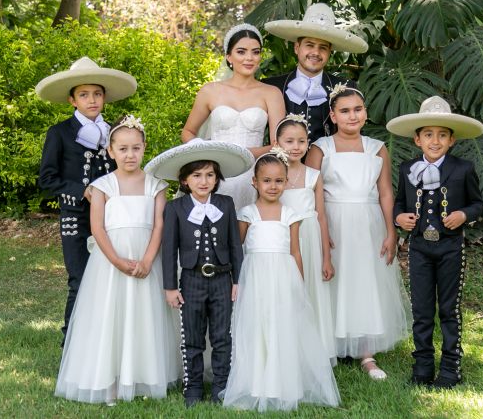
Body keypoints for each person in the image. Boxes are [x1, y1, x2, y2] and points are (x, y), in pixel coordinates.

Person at [54, 114, 181, 404]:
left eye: (136, 148)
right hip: (111, 262)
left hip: (146, 257)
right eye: (122, 149)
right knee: (111, 315)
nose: (129, 154)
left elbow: (159, 225)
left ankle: (142, 376)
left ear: (144, 148)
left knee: (145, 315)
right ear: (110, 151)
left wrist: (148, 260)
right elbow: (97, 228)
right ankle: (108, 377)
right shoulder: (102, 186)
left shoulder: (156, 185)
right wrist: (117, 261)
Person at [305, 85, 412, 380]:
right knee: (333, 280)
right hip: (332, 220)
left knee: (365, 280)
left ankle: (366, 352)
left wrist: (392, 231)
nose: (352, 115)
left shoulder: (376, 147)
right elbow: (309, 191)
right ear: (333, 115)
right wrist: (318, 225)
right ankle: (327, 344)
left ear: (365, 113)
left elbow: (386, 193)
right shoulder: (320, 148)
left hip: (368, 223)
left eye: (357, 109)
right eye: (344, 111)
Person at [222, 149, 340, 412]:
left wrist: (298, 285)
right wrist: (235, 280)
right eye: (266, 180)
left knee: (280, 326)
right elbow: (236, 249)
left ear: (286, 182)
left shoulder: (290, 215)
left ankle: (283, 383)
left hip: (282, 277)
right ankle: (254, 383)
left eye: (278, 181)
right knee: (257, 326)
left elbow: (295, 252)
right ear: (255, 182)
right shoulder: (247, 213)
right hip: (255, 277)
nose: (272, 186)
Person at [37, 56, 137, 346]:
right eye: (84, 94)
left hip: (113, 216)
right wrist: (82, 191)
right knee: (79, 277)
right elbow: (47, 179)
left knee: (112, 275)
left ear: (104, 97)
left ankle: (108, 338)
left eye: (97, 94)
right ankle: (73, 341)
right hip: (77, 216)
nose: (91, 100)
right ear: (72, 100)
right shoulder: (59, 133)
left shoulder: (116, 133)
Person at [145, 139, 254, 407]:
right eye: (197, 175)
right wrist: (171, 286)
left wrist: (237, 279)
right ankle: (192, 387)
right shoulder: (175, 208)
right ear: (184, 180)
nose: (204, 181)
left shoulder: (226, 204)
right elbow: (169, 250)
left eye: (210, 175)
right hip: (191, 280)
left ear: (217, 178)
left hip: (221, 279)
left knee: (221, 336)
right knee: (192, 337)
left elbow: (234, 245)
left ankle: (221, 385)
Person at [387, 95, 483, 389]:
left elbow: (478, 204)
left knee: (449, 308)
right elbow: (400, 202)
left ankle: (451, 366)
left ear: (452, 139)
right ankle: (422, 365)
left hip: (450, 248)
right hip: (419, 248)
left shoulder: (463, 168)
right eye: (428, 134)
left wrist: (463, 215)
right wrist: (398, 218)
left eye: (442, 134)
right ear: (417, 139)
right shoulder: (407, 168)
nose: (435, 140)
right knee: (422, 308)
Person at [181, 23, 286, 211]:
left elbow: (278, 144)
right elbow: (188, 132)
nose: (249, 58)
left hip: (253, 176)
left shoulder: (271, 93)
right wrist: (210, 153)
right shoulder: (210, 91)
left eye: (255, 52)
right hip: (216, 174)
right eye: (241, 52)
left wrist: (243, 155)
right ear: (228, 56)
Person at [276, 113, 337, 365]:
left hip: (310, 238)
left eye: (301, 141)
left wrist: (326, 257)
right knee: (285, 290)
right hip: (282, 238)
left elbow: (321, 216)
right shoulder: (271, 175)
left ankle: (315, 351)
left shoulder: (313, 175)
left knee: (310, 289)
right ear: (278, 142)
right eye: (289, 141)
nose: (295, 147)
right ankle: (286, 347)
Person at [262, 3, 368, 144]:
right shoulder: (271, 86)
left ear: (330, 52)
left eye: (323, 48)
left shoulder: (346, 87)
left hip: (330, 164)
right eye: (310, 45)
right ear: (297, 47)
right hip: (283, 164)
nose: (316, 53)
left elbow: (356, 135)